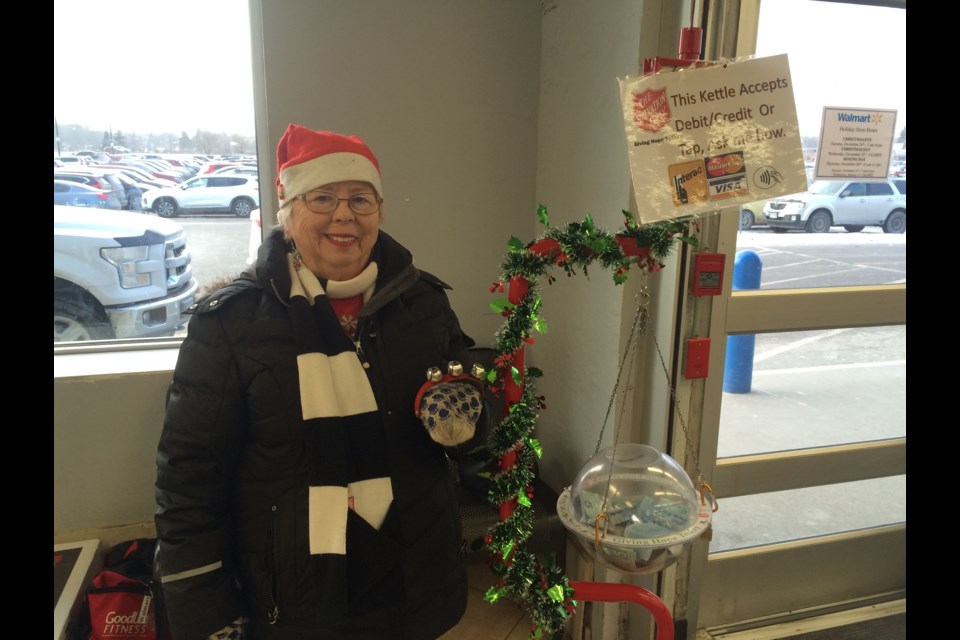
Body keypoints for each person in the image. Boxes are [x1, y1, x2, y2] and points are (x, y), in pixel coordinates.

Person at [155, 124, 491, 639]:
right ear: (287, 215)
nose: (344, 215)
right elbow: (189, 481)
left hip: (414, 575)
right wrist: (204, 608)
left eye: (361, 199)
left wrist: (474, 409)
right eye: (323, 197)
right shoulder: (229, 323)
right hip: (294, 589)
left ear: (378, 213)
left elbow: (467, 390)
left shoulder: (422, 302)